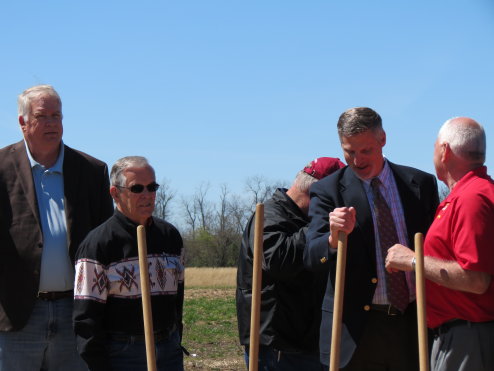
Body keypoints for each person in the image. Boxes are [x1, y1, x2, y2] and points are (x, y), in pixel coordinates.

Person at [305, 107, 439, 370]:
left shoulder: (420, 184)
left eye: (365, 150)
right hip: (355, 334)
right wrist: (332, 239)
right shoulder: (327, 191)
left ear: (383, 139)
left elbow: (436, 250)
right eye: (349, 151)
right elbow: (311, 257)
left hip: (412, 325)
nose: (357, 160)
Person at [0, 85, 114, 370]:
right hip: (16, 316)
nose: (52, 123)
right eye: (42, 116)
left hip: (75, 314)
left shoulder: (91, 170)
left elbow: (105, 245)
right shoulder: (2, 168)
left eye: (57, 115)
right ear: (22, 122)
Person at [385, 117, 494, 371]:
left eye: (434, 145)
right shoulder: (467, 195)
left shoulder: (472, 198)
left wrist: (412, 260)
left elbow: (476, 280)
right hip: (458, 336)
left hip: (468, 337)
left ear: (445, 151)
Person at [73, 156, 185, 371]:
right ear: (115, 193)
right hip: (123, 352)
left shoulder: (170, 237)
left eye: (152, 187)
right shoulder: (98, 244)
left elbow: (177, 299)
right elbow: (86, 318)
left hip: (168, 347)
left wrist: (175, 338)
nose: (147, 195)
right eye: (137, 189)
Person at [236, 156, 345, 371]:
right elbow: (278, 262)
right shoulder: (268, 215)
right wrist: (319, 229)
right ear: (315, 194)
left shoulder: (304, 218)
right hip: (278, 347)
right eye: (332, 199)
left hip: (307, 342)